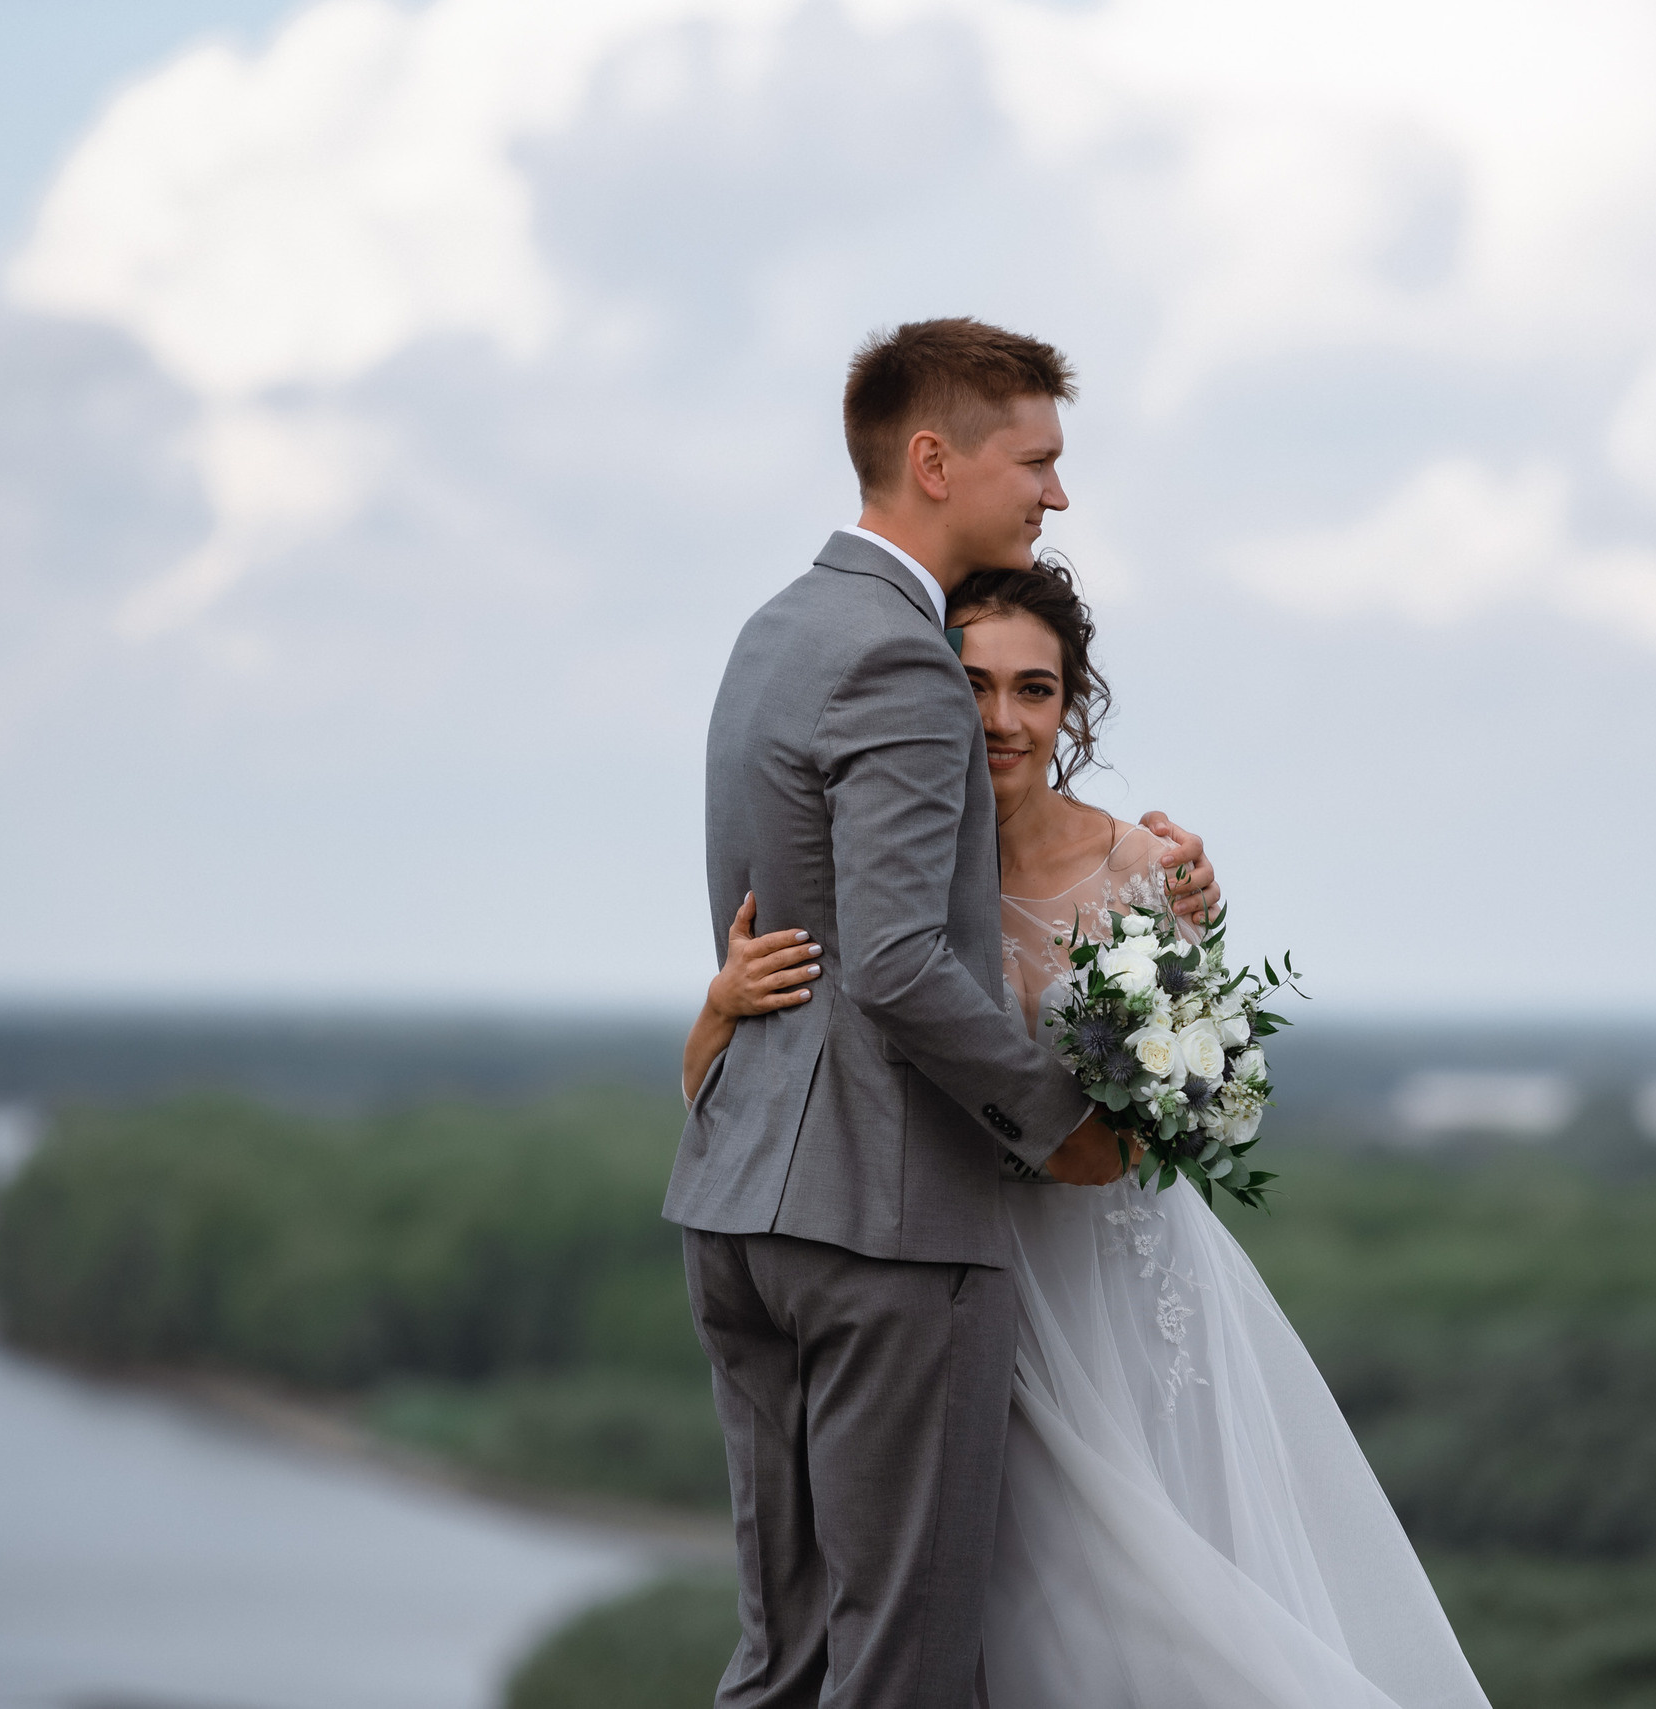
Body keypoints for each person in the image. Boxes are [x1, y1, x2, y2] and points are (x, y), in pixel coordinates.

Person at [688, 557, 1493, 1706]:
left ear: (1073, 705)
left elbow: (1192, 1068)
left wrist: (1171, 1049)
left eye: (1035, 689)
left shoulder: (1144, 866)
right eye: (970, 685)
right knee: (982, 1610)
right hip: (950, 1264)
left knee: (1148, 1599)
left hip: (1115, 1284)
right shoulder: (888, 872)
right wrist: (721, 1003)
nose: (1001, 719)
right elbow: (724, 1088)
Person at [665, 318, 1221, 1709]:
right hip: (888, 1229)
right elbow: (904, 963)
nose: (1056, 493)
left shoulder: (775, 628)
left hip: (741, 1214)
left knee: (780, 1665)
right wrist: (1061, 1129)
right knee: (900, 1676)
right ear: (934, 460)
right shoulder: (903, 659)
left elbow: (781, 921)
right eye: (1036, 459)